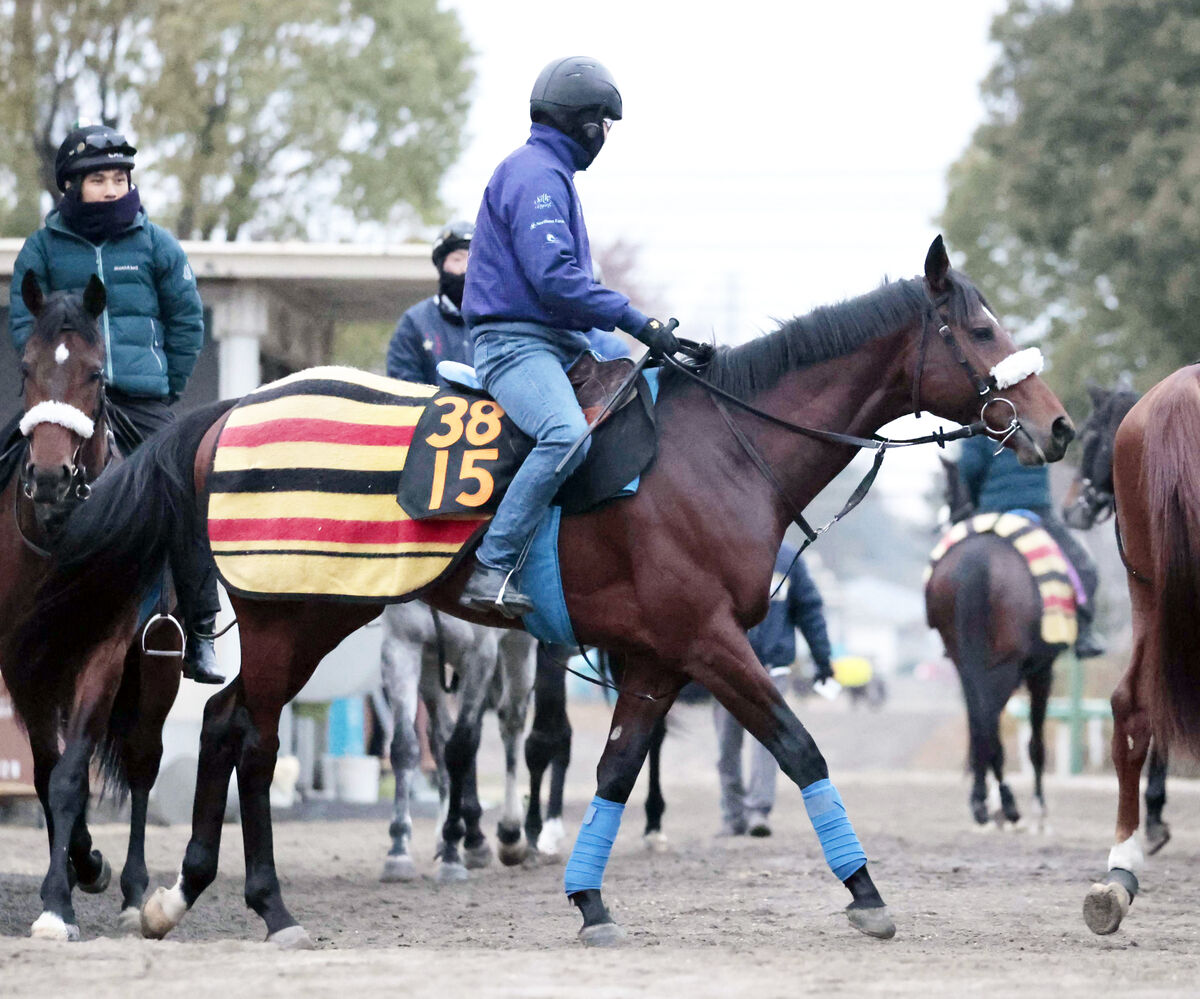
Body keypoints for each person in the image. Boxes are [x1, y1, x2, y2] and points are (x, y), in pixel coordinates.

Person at [457, 55, 682, 617]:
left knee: (640, 395)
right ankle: (491, 566)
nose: (605, 137)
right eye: (605, 124)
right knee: (566, 435)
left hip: (556, 343)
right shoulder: (536, 174)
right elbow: (557, 281)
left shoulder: (549, 172)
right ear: (585, 123)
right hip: (514, 346)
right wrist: (639, 320)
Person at [7, 122, 222, 683]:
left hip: (141, 399)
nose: (110, 187)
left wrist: (167, 384)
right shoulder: (42, 248)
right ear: (72, 187)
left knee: (187, 495)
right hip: (62, 397)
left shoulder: (157, 245)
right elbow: (22, 323)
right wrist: (46, 386)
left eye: (118, 177)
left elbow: (186, 320)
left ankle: (198, 628)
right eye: (98, 178)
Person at [714, 546, 832, 837]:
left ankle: (758, 811)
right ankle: (733, 815)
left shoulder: (788, 559)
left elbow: (809, 610)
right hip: (725, 668)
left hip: (772, 669)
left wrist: (823, 659)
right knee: (726, 747)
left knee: (766, 745)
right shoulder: (722, 552)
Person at [956, 433, 1105, 658]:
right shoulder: (1036, 409)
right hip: (1036, 510)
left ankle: (953, 631)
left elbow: (969, 466)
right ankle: (1083, 633)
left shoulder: (981, 418)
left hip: (990, 510)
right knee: (1082, 567)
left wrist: (977, 500)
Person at [387, 221, 475, 384]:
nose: (466, 268)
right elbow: (401, 384)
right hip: (432, 409)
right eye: (457, 259)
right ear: (442, 265)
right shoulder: (414, 322)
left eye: (473, 259)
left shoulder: (499, 319)